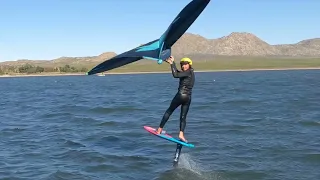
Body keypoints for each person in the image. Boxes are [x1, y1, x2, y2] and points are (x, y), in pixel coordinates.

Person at [156, 56, 195, 142]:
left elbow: (175, 75)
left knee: (169, 111)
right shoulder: (190, 72)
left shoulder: (188, 72)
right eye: (182, 65)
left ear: (189, 65)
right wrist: (171, 63)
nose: (183, 66)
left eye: (185, 64)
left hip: (181, 95)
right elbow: (178, 73)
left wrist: (172, 64)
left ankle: (159, 129)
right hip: (188, 98)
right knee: (183, 117)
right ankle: (181, 134)